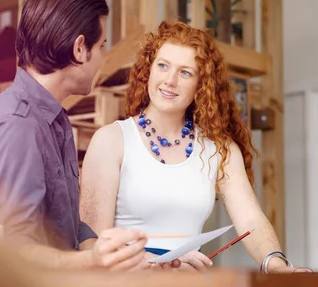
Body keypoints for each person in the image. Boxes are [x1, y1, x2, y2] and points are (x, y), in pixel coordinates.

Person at [0, 0, 153, 271]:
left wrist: (116, 256)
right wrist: (90, 262)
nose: (102, 58)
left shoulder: (52, 118)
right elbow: (15, 248)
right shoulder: (18, 127)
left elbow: (69, 228)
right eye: (100, 47)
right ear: (79, 49)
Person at [79, 20, 295, 273]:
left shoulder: (218, 148)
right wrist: (155, 264)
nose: (170, 80)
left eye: (185, 72)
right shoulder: (111, 140)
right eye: (162, 66)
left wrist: (278, 266)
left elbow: (251, 220)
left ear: (201, 85)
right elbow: (90, 244)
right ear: (149, 70)